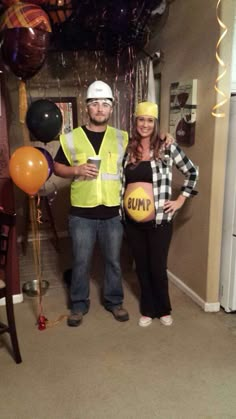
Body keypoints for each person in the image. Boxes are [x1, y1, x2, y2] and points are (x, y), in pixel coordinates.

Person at [54, 80, 129, 327]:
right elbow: (57, 167)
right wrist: (75, 169)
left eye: (105, 104)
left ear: (111, 109)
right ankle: (78, 305)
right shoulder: (71, 138)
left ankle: (114, 301)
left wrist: (165, 136)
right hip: (82, 213)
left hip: (111, 213)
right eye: (95, 103)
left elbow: (145, 150)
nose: (99, 108)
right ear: (87, 107)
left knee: (113, 261)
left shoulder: (122, 138)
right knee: (81, 261)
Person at [120, 101, 199, 327]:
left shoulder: (167, 147)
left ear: (155, 124)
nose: (145, 125)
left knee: (157, 265)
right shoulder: (128, 148)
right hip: (132, 222)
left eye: (149, 121)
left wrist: (180, 200)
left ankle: (163, 308)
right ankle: (147, 309)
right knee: (142, 266)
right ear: (135, 122)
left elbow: (192, 171)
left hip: (160, 221)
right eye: (141, 120)